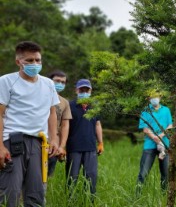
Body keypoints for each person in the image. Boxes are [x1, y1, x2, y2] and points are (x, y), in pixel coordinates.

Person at [0, 41, 59, 207]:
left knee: (36, 193)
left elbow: (52, 112)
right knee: (9, 193)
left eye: (38, 60)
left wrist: (54, 139)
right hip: (12, 141)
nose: (35, 64)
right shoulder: (6, 81)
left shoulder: (48, 84)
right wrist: (0, 146)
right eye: (30, 61)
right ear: (19, 62)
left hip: (40, 143)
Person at [66, 79, 103, 199]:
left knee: (91, 177)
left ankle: (89, 201)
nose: (84, 92)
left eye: (87, 90)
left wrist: (100, 142)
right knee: (72, 178)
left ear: (91, 91)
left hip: (91, 147)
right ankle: (71, 202)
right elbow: (65, 127)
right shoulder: (70, 106)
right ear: (77, 90)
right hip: (73, 147)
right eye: (82, 90)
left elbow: (97, 124)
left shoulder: (94, 106)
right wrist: (62, 146)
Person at [136, 91, 173, 194]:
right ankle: (137, 196)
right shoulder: (145, 111)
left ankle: (164, 195)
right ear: (148, 98)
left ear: (160, 97)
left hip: (164, 144)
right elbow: (145, 128)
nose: (154, 98)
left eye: (156, 96)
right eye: (152, 97)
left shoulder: (166, 110)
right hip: (149, 145)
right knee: (143, 173)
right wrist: (154, 137)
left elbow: (170, 126)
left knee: (165, 174)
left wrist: (161, 136)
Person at [47, 70, 72, 177]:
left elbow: (65, 125)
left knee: (48, 176)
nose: (60, 84)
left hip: (54, 145)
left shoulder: (64, 102)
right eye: (57, 81)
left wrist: (62, 146)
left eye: (63, 82)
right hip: (36, 142)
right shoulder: (39, 96)